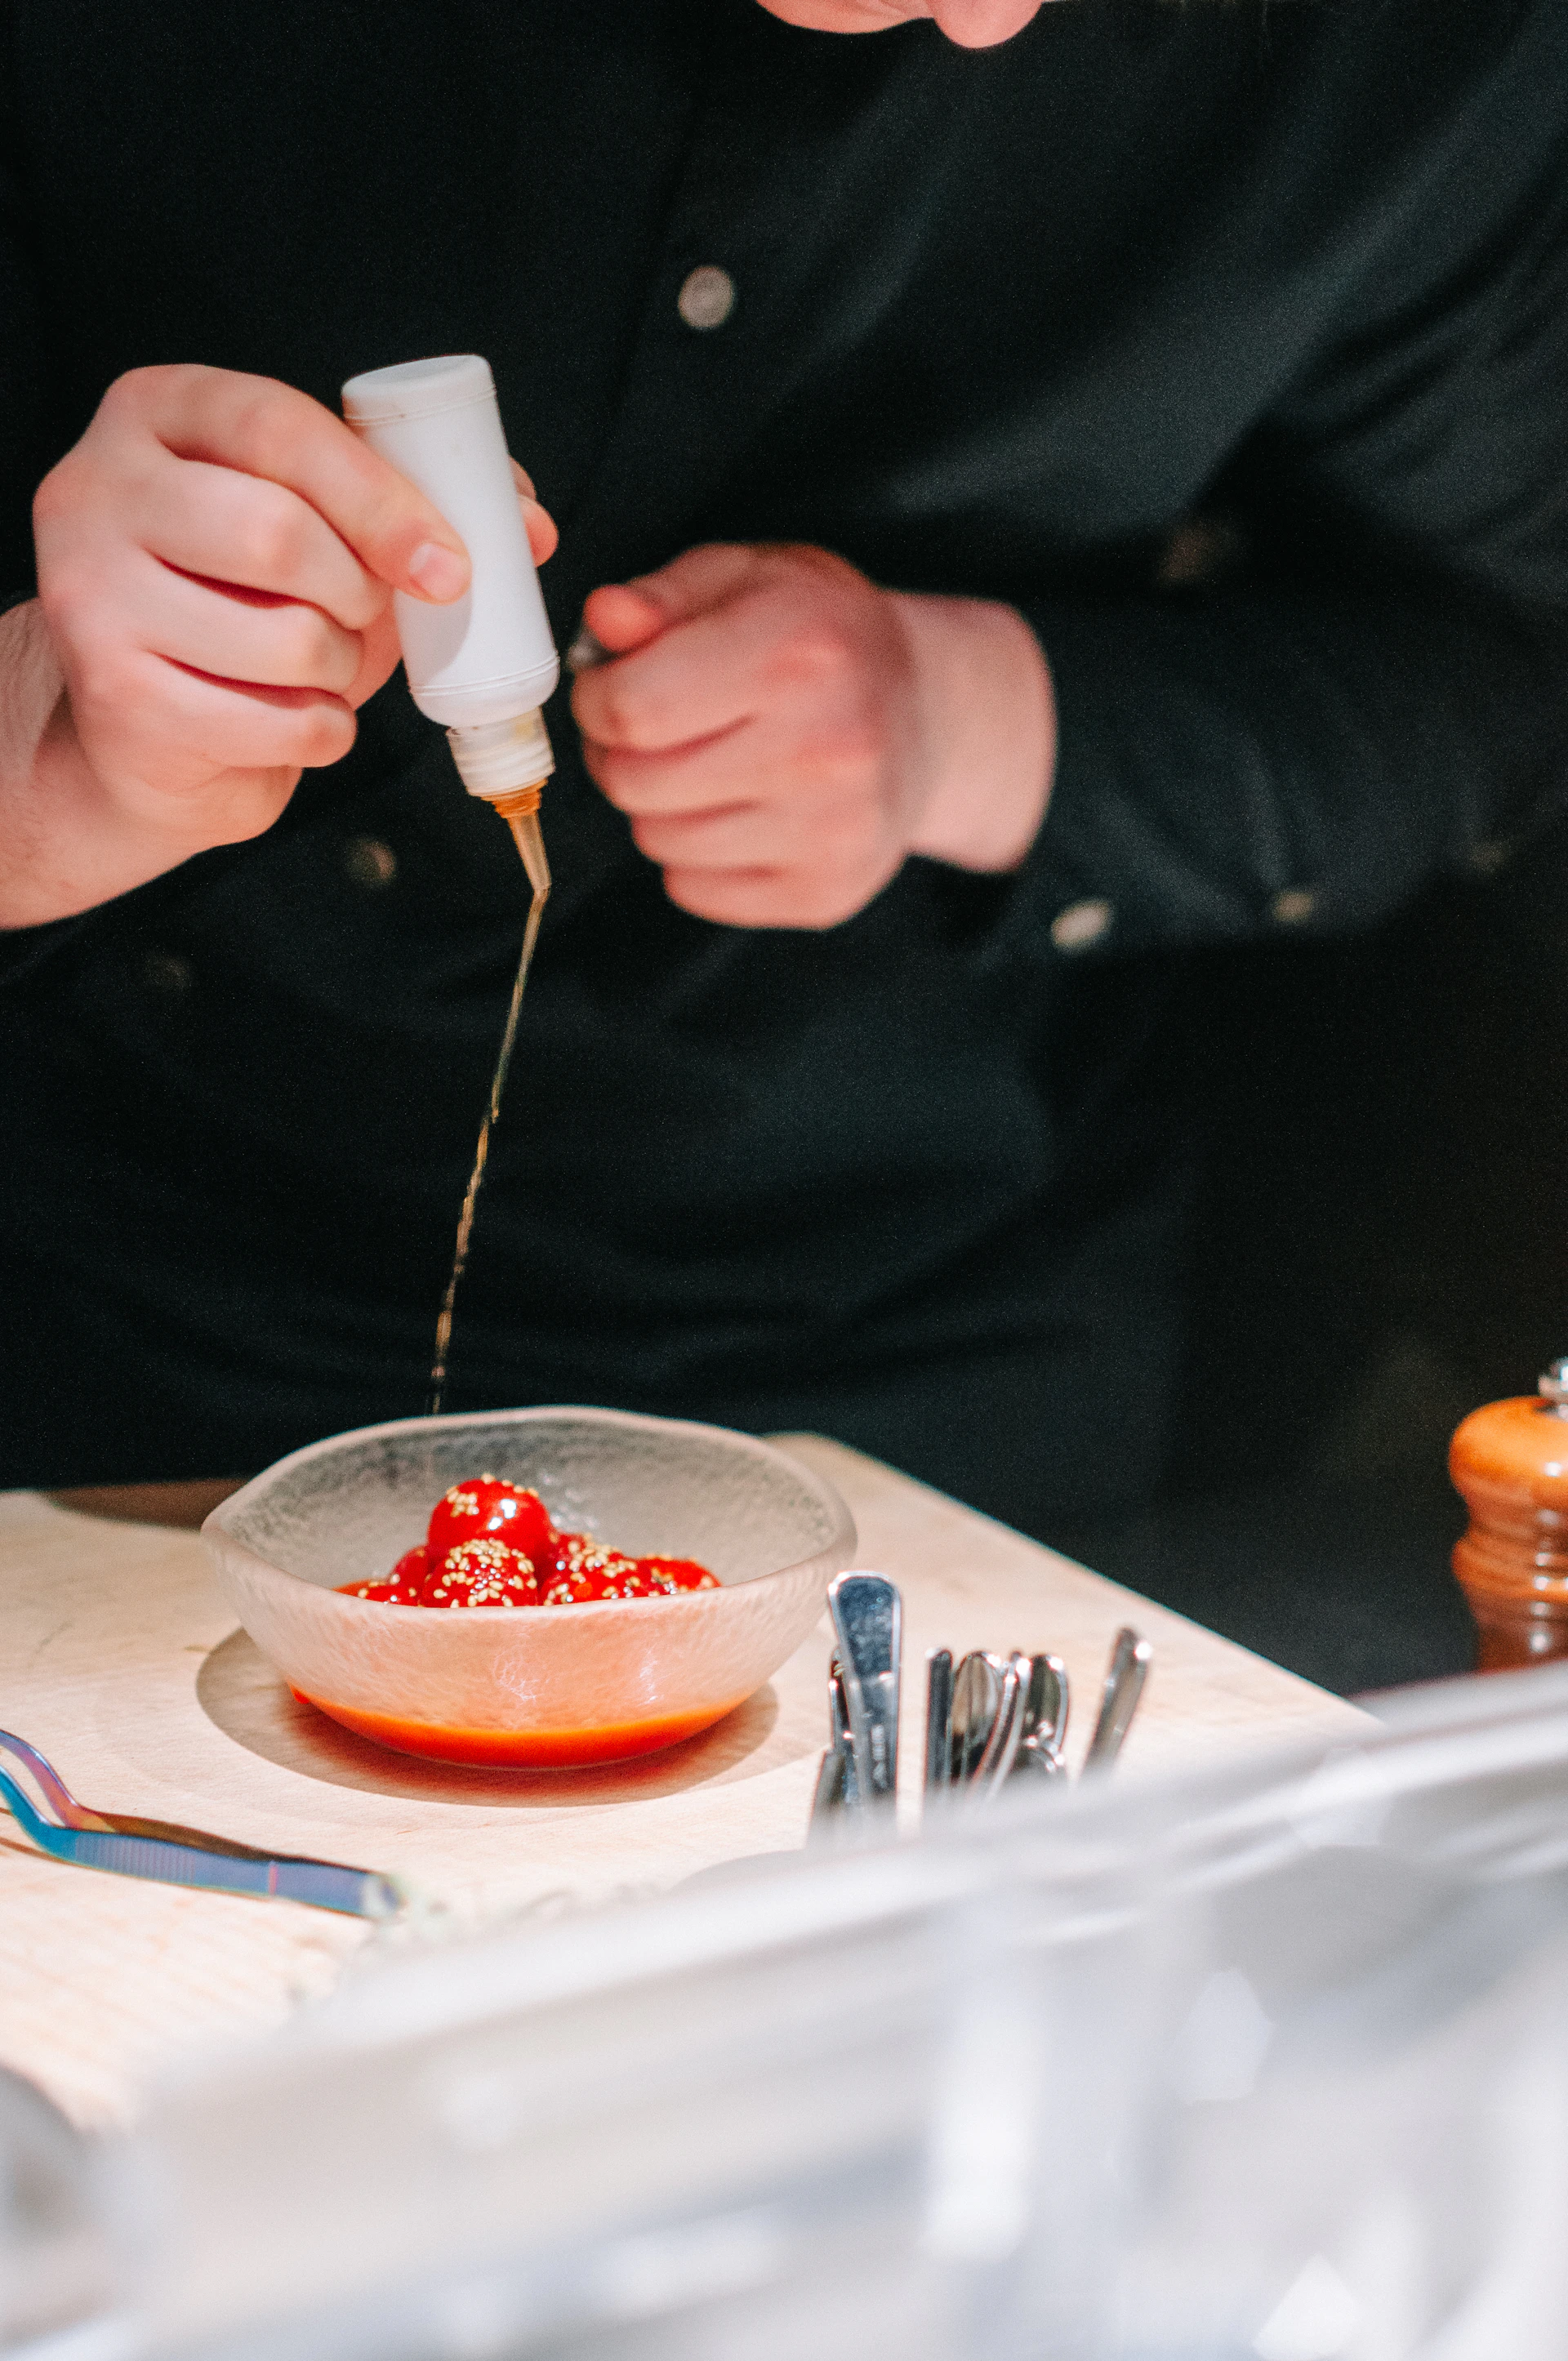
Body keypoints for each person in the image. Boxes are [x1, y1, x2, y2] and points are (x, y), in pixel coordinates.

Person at [2, 0, 1565, 1563]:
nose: (996, 18)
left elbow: (1501, 664)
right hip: (141, 1287)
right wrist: (42, 753)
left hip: (923, 1335)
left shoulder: (1401, 53)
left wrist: (973, 719)